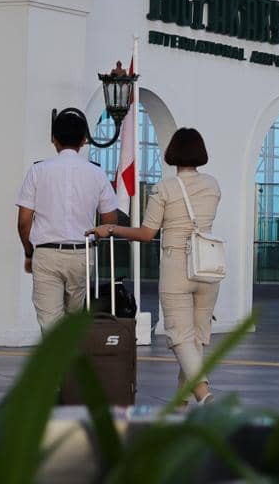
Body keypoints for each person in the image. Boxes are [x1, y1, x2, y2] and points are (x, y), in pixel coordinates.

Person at [89, 128, 220, 404]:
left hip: (176, 266)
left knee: (180, 336)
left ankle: (203, 393)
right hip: (208, 266)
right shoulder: (213, 186)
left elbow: (147, 234)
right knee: (196, 339)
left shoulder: (165, 188)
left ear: (173, 153)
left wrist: (112, 228)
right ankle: (181, 403)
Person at [16, 108, 118, 331]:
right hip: (83, 254)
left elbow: (24, 221)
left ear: (54, 139)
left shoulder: (38, 170)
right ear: (84, 140)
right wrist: (96, 239)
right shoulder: (97, 173)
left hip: (46, 253)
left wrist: (28, 251)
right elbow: (111, 219)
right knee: (73, 327)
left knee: (51, 324)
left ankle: (58, 364)